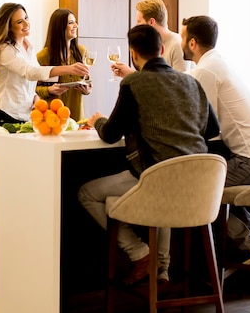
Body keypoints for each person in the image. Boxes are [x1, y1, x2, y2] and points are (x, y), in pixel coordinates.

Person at [77, 25, 220, 285]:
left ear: (133, 54)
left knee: (87, 193)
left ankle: (140, 253)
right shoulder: (190, 81)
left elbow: (110, 134)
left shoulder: (134, 82)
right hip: (199, 190)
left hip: (157, 182)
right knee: (162, 190)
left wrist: (98, 120)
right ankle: (162, 270)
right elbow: (213, 130)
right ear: (162, 50)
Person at [181, 15, 250, 265]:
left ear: (192, 43)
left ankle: (249, 242)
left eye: (182, 37)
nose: (181, 42)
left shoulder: (204, 70)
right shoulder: (218, 62)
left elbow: (204, 124)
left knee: (202, 189)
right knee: (213, 184)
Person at [0, 3, 89, 125]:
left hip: (24, 117)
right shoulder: (5, 49)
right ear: (9, 27)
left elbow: (28, 83)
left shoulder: (29, 48)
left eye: (26, 18)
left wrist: (34, 97)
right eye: (19, 22)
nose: (26, 23)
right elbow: (31, 72)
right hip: (3, 115)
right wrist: (69, 69)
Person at [36, 8, 92, 121]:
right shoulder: (43, 57)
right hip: (52, 119)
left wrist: (87, 90)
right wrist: (49, 90)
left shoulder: (82, 52)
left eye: (75, 22)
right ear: (59, 27)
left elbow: (87, 81)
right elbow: (33, 89)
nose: (76, 26)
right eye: (71, 23)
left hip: (76, 117)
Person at [136, 0, 189, 72]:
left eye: (139, 22)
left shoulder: (177, 44)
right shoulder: (152, 45)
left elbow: (180, 82)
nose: (136, 26)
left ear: (151, 22)